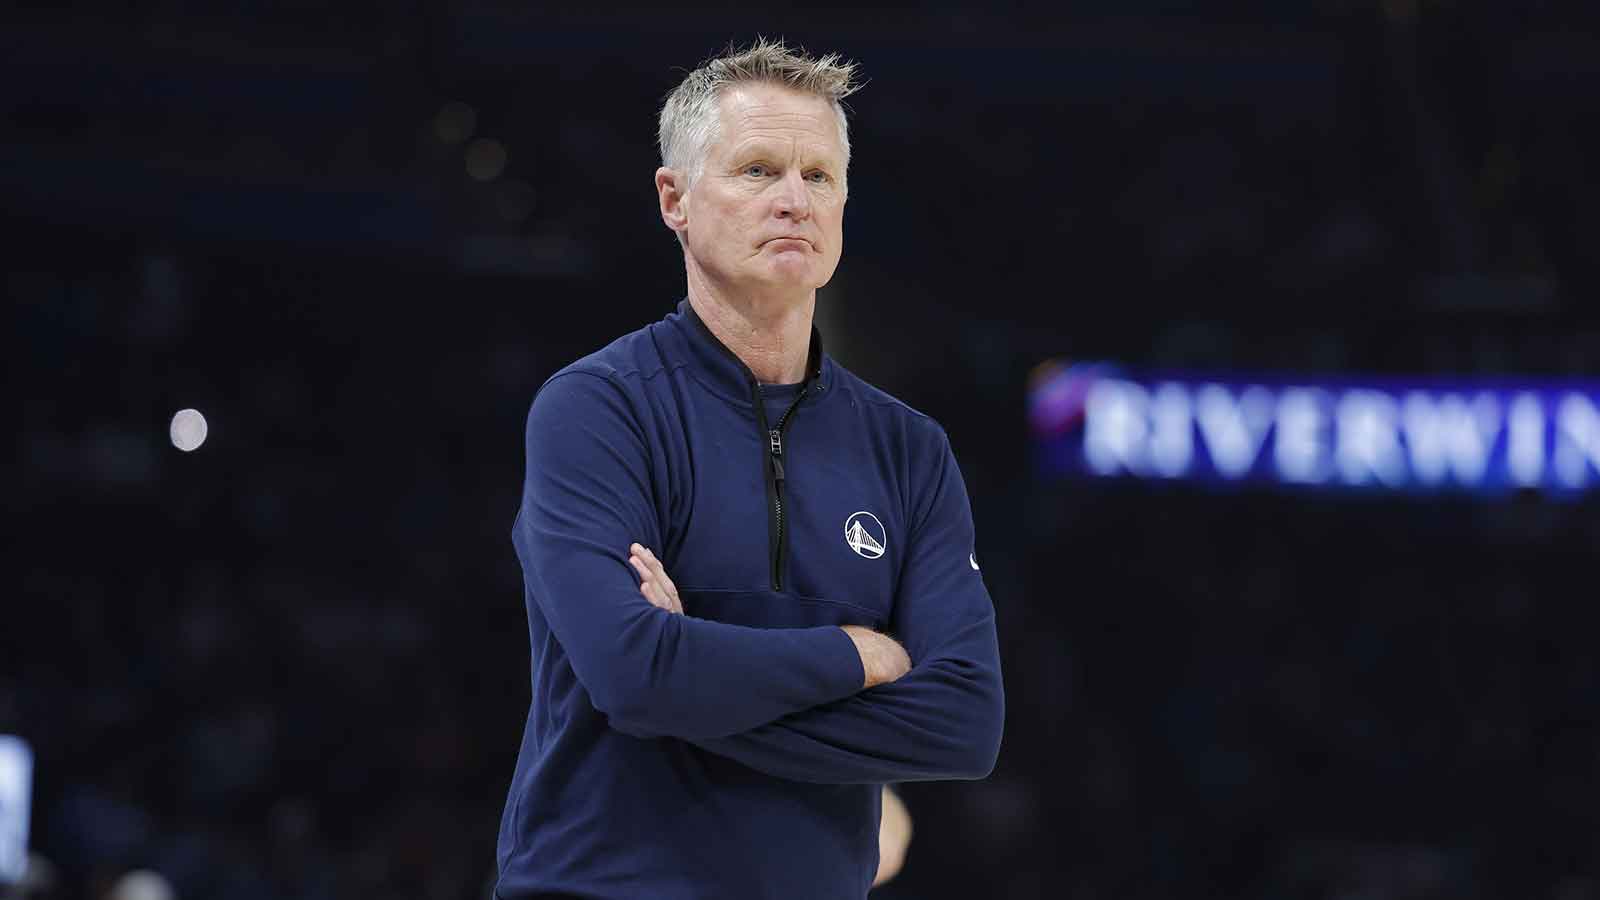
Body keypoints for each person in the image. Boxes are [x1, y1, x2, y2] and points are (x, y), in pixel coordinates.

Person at [495, 38, 1004, 899]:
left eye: (819, 177)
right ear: (675, 200)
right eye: (759, 170)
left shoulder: (910, 450)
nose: (794, 202)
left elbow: (964, 724)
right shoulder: (596, 409)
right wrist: (854, 653)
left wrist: (689, 680)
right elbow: (632, 673)